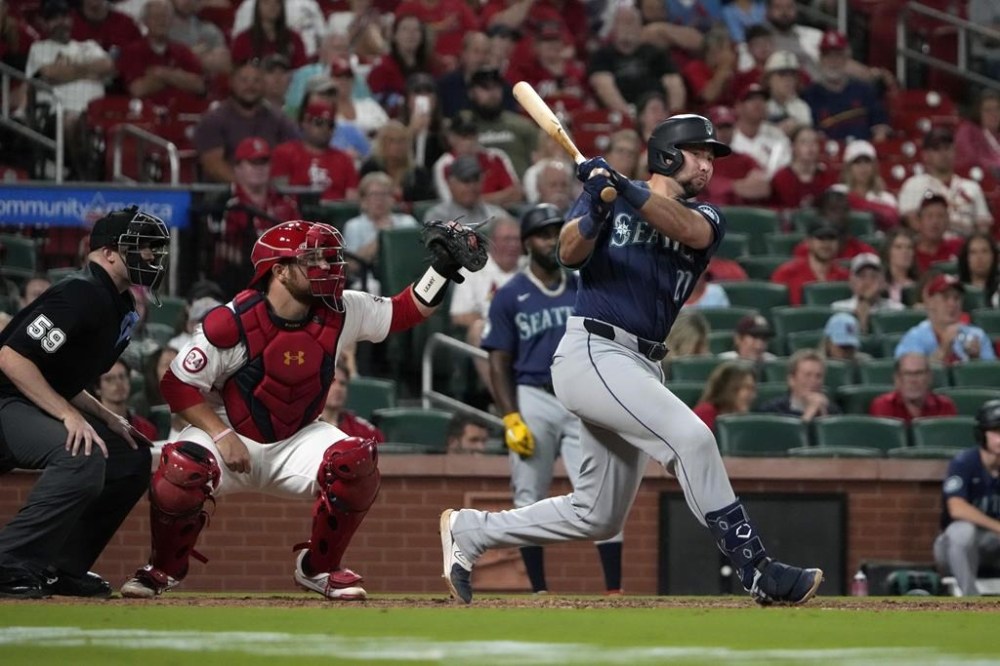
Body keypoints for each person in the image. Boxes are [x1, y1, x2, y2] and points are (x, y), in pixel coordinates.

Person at [440, 114, 823, 607]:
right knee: (692, 439)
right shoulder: (607, 195)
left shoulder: (705, 215)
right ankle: (759, 570)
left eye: (711, 157)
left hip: (638, 363)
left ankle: (472, 532)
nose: (707, 165)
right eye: (699, 153)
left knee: (598, 515)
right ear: (667, 153)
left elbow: (684, 227)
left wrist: (621, 187)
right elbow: (568, 253)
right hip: (594, 350)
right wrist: (597, 211)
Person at [121, 217, 484, 600]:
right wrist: (222, 434)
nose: (328, 268)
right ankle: (161, 569)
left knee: (356, 461)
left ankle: (319, 568)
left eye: (328, 259)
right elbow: (176, 385)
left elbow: (404, 310)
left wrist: (441, 267)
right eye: (314, 260)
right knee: (182, 468)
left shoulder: (341, 310)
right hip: (227, 433)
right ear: (278, 270)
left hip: (295, 437)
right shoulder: (232, 322)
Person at [0, 207, 168, 599]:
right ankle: (8, 564)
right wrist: (67, 415)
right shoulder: (80, 292)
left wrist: (107, 416)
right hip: (5, 398)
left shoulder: (118, 304)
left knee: (129, 456)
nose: (151, 257)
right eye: (142, 248)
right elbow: (11, 358)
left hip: (25, 400)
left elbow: (61, 376)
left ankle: (62, 568)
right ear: (109, 253)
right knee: (81, 455)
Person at [481, 203, 624, 596]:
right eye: (544, 234)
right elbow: (498, 361)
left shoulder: (582, 285)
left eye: (555, 232)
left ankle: (614, 589)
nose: (551, 240)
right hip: (534, 396)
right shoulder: (510, 294)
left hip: (580, 395)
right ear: (528, 242)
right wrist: (510, 416)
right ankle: (538, 590)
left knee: (600, 493)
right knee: (527, 495)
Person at [933, 398, 1000, 597]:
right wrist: (997, 526)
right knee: (962, 530)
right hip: (953, 548)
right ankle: (971, 600)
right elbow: (956, 508)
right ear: (982, 435)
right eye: (996, 432)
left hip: (993, 545)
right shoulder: (965, 462)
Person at [897, 127, 994, 236]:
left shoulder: (972, 187)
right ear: (925, 155)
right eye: (936, 149)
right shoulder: (914, 185)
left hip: (965, 247)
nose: (943, 153)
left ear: (955, 151)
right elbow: (911, 222)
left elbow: (983, 227)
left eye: (947, 148)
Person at [895, 274, 995, 366]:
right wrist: (943, 350)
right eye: (945, 297)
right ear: (930, 302)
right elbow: (912, 375)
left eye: (956, 298)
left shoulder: (977, 335)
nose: (952, 304)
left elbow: (991, 377)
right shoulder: (915, 337)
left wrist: (976, 360)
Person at [771, 221, 849, 306]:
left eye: (831, 238)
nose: (826, 244)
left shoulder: (845, 277)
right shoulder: (786, 273)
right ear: (809, 242)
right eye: (821, 238)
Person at [869, 353, 957, 423]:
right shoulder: (883, 405)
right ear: (897, 379)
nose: (913, 380)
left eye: (919, 373)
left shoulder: (944, 406)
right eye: (907, 374)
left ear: (929, 377)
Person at [758, 348, 840, 421]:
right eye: (807, 375)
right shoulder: (772, 411)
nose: (813, 381)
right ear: (791, 380)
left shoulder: (833, 411)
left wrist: (824, 415)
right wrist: (809, 413)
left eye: (818, 376)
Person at [831, 253, 903, 334]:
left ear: (883, 282)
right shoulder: (838, 310)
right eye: (862, 276)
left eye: (874, 276)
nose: (868, 282)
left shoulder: (896, 310)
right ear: (851, 282)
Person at [838, 139, 899, 230]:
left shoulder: (886, 199)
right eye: (857, 162)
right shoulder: (838, 192)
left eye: (867, 162)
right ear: (848, 168)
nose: (863, 167)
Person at [318, 360, 384, 443]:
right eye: (332, 382)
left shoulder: (361, 430)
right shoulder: (306, 427)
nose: (338, 388)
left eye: (342, 383)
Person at [94, 359, 159, 442]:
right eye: (109, 379)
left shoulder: (147, 429)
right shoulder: (90, 429)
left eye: (122, 376)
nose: (118, 383)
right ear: (97, 388)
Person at [692, 362, 757, 433]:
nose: (752, 395)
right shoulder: (705, 413)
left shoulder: (746, 419)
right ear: (727, 389)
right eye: (746, 387)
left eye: (753, 389)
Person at [954, 90, 1000, 178]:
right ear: (978, 112)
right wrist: (993, 166)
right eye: (987, 110)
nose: (993, 114)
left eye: (997, 109)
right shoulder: (968, 131)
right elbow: (969, 158)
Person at [957, 233, 999, 300]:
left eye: (984, 251)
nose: (979, 257)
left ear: (993, 256)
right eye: (973, 252)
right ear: (966, 258)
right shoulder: (956, 288)